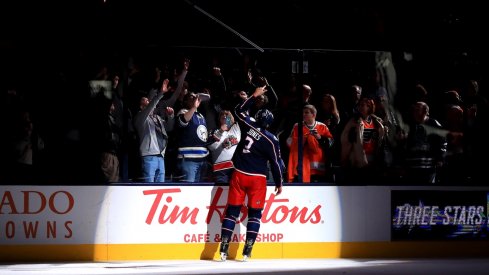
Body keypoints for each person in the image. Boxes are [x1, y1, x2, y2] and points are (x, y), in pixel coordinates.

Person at [219, 85, 285, 261]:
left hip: (239, 174)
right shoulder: (272, 140)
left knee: (232, 212)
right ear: (269, 123)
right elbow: (276, 164)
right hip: (258, 179)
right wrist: (279, 183)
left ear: (257, 117)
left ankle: (224, 250)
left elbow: (238, 109)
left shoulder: (248, 124)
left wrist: (253, 96)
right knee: (255, 215)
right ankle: (247, 252)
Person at [134, 79, 175, 183]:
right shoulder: (140, 117)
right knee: (148, 189)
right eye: (145, 100)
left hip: (161, 156)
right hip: (149, 157)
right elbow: (150, 107)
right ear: (141, 105)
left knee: (160, 188)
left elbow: (169, 128)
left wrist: (170, 116)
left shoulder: (157, 118)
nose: (148, 101)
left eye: (149, 100)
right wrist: (160, 93)